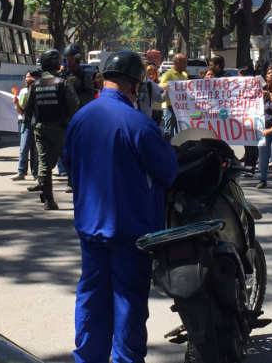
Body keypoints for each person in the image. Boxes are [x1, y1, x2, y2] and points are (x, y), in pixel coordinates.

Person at [63, 50, 178, 363]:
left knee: (91, 297)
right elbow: (168, 172)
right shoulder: (139, 124)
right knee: (127, 302)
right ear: (135, 86)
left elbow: (70, 166)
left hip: (90, 228)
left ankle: (87, 359)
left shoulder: (79, 119)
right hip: (131, 231)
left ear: (103, 78)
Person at [22, 49, 80, 210]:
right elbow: (74, 104)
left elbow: (26, 106)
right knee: (69, 160)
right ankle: (80, 198)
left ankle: (49, 200)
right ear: (57, 65)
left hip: (40, 129)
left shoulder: (35, 84)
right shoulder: (63, 83)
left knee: (44, 164)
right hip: (61, 128)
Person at [11, 70, 40, 181]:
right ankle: (21, 172)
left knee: (36, 150)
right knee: (23, 149)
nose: (26, 79)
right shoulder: (23, 92)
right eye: (26, 77)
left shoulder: (39, 90)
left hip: (37, 124)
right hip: (26, 123)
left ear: (36, 79)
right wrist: (17, 103)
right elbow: (21, 111)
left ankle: (35, 173)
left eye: (29, 77)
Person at [159, 53, 188, 141]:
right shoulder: (168, 75)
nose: (186, 64)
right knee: (169, 130)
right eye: (185, 62)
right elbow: (161, 86)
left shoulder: (184, 75)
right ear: (178, 62)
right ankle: (164, 149)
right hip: (170, 106)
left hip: (181, 107)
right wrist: (170, 87)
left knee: (180, 130)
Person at [238, 66, 259, 177]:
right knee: (247, 144)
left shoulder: (255, 88)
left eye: (240, 76)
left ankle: (250, 168)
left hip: (252, 119)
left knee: (251, 145)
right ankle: (246, 166)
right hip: (244, 118)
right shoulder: (241, 89)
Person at [63, 43, 96, 109]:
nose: (68, 60)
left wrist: (75, 99)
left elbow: (90, 95)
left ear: (77, 59)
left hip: (79, 109)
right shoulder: (62, 75)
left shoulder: (84, 76)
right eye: (67, 58)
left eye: (71, 58)